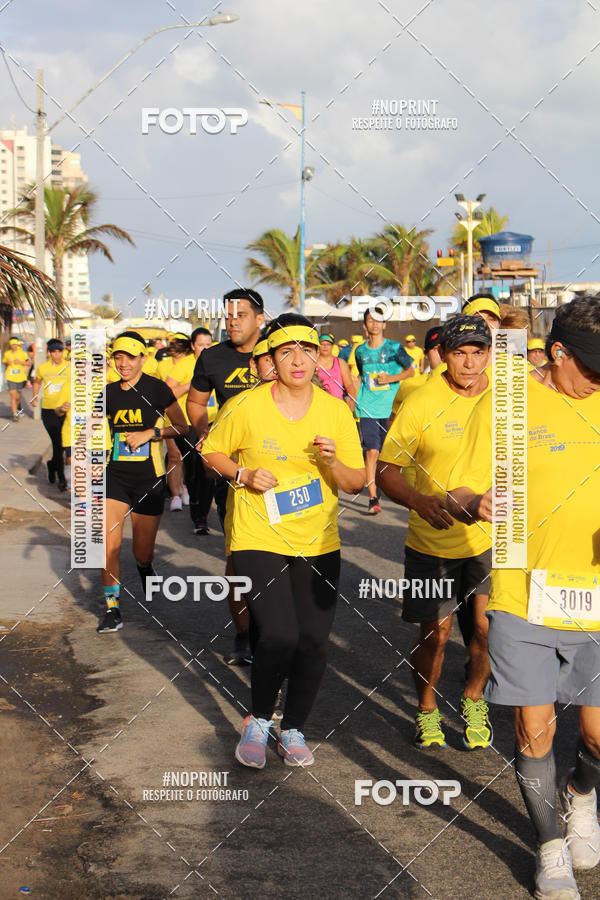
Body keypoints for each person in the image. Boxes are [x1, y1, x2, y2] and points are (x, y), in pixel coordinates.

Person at [446, 296, 600, 899]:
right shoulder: (508, 404)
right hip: (521, 591)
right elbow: (457, 489)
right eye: (589, 369)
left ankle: (581, 795)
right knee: (534, 730)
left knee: (594, 738)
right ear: (556, 353)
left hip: (595, 597)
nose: (596, 381)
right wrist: (474, 503)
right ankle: (549, 847)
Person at [203, 313, 365, 768]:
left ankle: (292, 728)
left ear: (319, 357)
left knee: (313, 641)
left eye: (307, 350)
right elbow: (209, 450)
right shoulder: (247, 406)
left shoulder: (336, 410)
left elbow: (355, 482)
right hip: (259, 533)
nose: (298, 359)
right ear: (271, 359)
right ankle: (257, 720)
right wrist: (243, 473)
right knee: (277, 633)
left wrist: (332, 463)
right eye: (286, 351)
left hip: (318, 541)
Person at [376, 316, 494, 750]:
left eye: (478, 352)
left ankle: (473, 698)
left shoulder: (505, 399)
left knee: (484, 629)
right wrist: (419, 501)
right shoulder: (421, 402)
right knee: (436, 634)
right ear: (443, 354)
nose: (469, 362)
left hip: (486, 541)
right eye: (460, 353)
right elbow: (387, 470)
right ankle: (426, 707)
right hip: (432, 542)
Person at [187, 288, 265, 666]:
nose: (233, 320)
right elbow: (196, 401)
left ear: (260, 319)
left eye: (242, 314)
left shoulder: (278, 352)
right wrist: (205, 435)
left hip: (280, 472)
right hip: (231, 473)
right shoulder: (212, 358)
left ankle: (277, 627)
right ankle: (244, 634)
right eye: (228, 314)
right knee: (238, 556)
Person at [96, 331, 188, 634]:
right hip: (115, 477)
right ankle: (113, 609)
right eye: (117, 357)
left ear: (142, 359)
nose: (123, 363)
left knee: (141, 550)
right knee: (108, 546)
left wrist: (152, 434)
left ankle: (146, 568)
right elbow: (92, 432)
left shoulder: (157, 389)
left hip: (149, 478)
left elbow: (181, 426)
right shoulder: (107, 392)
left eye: (129, 357)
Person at [354, 308, 414, 515]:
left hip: (390, 408)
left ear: (384, 324)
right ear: (365, 326)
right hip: (367, 407)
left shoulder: (395, 348)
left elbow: (411, 371)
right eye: (370, 320)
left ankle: (381, 485)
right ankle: (372, 498)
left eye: (379, 320)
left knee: (386, 454)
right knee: (372, 452)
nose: (375, 324)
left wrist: (390, 378)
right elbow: (363, 375)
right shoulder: (360, 351)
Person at [166, 327, 217, 535]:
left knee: (210, 470)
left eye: (209, 344)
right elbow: (167, 391)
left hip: (214, 423)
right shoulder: (185, 364)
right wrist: (192, 385)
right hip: (189, 425)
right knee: (195, 470)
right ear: (193, 346)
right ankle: (196, 509)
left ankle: (202, 517)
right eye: (201, 345)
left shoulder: (216, 362)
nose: (205, 349)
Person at [157, 333, 192, 511]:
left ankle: (185, 486)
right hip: (171, 416)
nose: (176, 354)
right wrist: (186, 386)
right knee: (174, 456)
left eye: (180, 350)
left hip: (192, 417)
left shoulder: (193, 363)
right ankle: (174, 495)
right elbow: (161, 391)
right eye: (173, 349)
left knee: (188, 458)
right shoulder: (162, 365)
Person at [32, 339, 71, 490]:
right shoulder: (43, 367)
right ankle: (62, 479)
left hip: (65, 410)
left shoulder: (69, 367)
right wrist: (35, 397)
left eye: (59, 351)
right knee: (57, 443)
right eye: (54, 351)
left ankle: (52, 464)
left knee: (61, 444)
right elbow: (37, 382)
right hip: (49, 410)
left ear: (63, 352)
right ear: (49, 352)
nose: (57, 354)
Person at [316, 332, 355, 410]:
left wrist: (352, 400)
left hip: (338, 405)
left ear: (332, 346)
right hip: (318, 405)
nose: (325, 346)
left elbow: (349, 385)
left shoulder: (340, 362)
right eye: (322, 344)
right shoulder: (313, 362)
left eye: (328, 344)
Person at [2, 337, 30, 421]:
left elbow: (29, 363)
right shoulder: (7, 353)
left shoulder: (22, 353)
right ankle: (15, 414)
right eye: (12, 345)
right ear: (10, 345)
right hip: (11, 377)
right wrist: (7, 362)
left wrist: (21, 362)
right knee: (13, 396)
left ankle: (17, 409)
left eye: (15, 344)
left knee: (17, 397)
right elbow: (3, 361)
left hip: (20, 378)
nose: (14, 346)